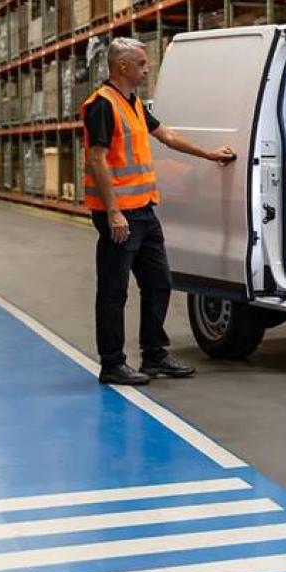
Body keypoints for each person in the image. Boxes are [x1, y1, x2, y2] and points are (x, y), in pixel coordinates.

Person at [82, 37, 235, 385]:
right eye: (141, 63)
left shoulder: (134, 104)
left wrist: (209, 154)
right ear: (122, 66)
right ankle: (112, 363)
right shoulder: (101, 105)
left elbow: (166, 135)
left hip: (145, 211)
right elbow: (97, 160)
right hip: (120, 216)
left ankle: (154, 354)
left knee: (159, 283)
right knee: (114, 291)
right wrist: (113, 211)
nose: (147, 68)